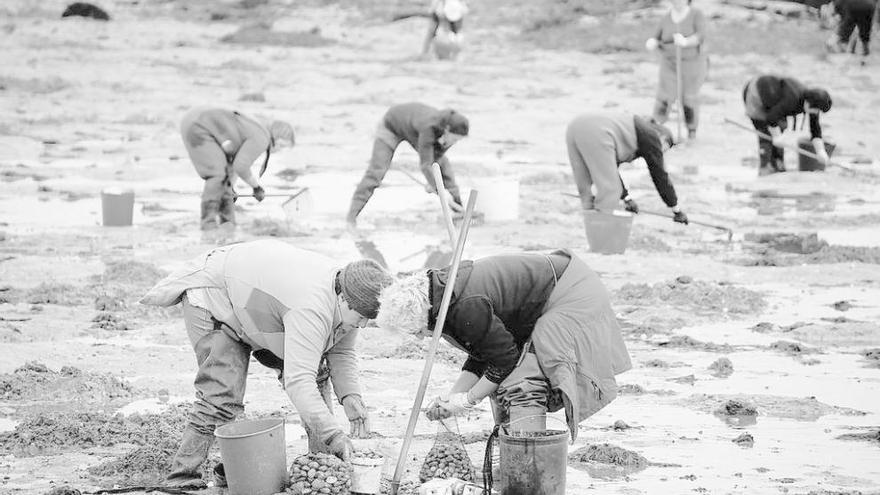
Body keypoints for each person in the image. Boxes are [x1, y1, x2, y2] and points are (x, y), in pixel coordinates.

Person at [139, 239, 393, 488]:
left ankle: (325, 464)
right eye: (360, 317)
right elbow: (298, 381)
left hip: (261, 310)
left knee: (317, 370)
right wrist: (334, 435)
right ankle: (182, 478)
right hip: (217, 297)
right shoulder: (310, 307)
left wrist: (350, 396)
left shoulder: (353, 294)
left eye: (367, 320)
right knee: (221, 394)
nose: (361, 325)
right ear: (343, 299)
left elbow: (341, 351)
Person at [375, 250, 632, 436]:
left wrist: (468, 401)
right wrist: (452, 397)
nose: (422, 336)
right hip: (555, 286)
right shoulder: (441, 295)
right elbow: (484, 350)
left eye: (419, 330)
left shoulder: (464, 306)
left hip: (571, 291)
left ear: (421, 314)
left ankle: (526, 452)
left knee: (522, 378)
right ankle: (510, 436)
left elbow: (504, 359)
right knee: (500, 377)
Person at [346, 102, 469, 228]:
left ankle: (459, 210)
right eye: (454, 139)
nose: (454, 143)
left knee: (443, 165)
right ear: (447, 130)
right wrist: (435, 186)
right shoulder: (429, 127)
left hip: (413, 130)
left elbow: (436, 161)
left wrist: (434, 184)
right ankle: (351, 219)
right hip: (391, 126)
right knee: (376, 172)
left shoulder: (445, 129)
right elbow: (426, 165)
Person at [180, 108, 295, 230]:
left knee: (224, 182)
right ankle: (208, 225)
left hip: (197, 120)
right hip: (199, 124)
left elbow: (233, 163)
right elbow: (241, 166)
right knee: (217, 175)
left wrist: (231, 188)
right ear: (277, 137)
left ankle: (227, 226)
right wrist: (256, 187)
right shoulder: (262, 138)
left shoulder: (257, 130)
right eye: (282, 146)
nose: (279, 151)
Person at [565, 112, 689, 224]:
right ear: (662, 137)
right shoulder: (652, 137)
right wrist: (676, 209)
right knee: (610, 191)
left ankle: (593, 235)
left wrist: (626, 198)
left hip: (575, 126)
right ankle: (604, 241)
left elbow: (610, 170)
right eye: (665, 148)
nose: (661, 152)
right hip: (598, 132)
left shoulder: (630, 129)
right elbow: (659, 175)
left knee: (585, 189)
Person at [742, 75, 833, 176]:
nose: (815, 113)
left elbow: (815, 128)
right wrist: (776, 136)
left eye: (818, 111)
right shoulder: (792, 99)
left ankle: (778, 165)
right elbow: (771, 118)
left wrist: (820, 151)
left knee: (781, 128)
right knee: (766, 133)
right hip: (755, 93)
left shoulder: (812, 104)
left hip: (774, 100)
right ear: (808, 103)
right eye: (815, 110)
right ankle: (765, 168)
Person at [645, 0, 708, 140]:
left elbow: (700, 36)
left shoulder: (696, 14)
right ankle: (656, 129)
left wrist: (686, 41)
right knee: (664, 96)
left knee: (688, 98)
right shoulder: (666, 17)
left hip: (691, 63)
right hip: (669, 62)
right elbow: (657, 36)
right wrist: (653, 42)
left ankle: (691, 132)